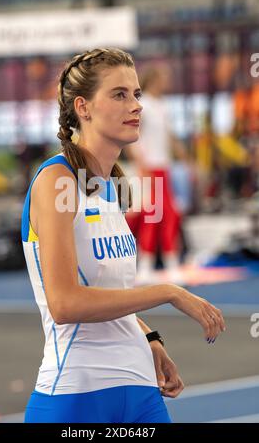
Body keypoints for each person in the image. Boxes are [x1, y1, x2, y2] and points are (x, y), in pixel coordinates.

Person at [21, 48, 226, 423]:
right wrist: (169, 292)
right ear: (83, 107)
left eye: (136, 94)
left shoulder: (111, 186)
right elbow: (65, 304)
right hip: (77, 397)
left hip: (140, 388)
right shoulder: (57, 180)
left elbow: (110, 291)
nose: (135, 105)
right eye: (119, 95)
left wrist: (149, 339)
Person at [124, 65, 182, 283]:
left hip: (163, 166)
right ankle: (150, 265)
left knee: (166, 215)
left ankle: (165, 263)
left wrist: (184, 159)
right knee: (154, 214)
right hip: (149, 167)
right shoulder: (143, 105)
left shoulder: (163, 105)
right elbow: (133, 136)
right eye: (164, 76)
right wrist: (140, 163)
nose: (167, 80)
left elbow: (169, 137)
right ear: (155, 79)